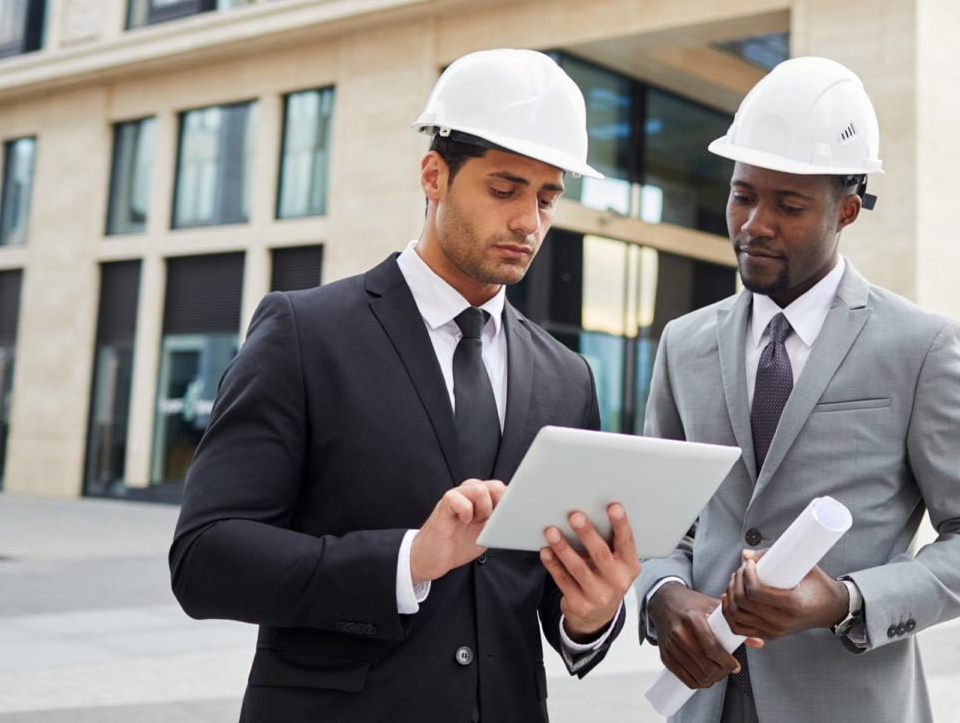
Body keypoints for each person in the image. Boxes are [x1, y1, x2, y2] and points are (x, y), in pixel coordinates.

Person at [170, 48, 640, 722]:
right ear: (434, 176)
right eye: (504, 190)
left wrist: (591, 614)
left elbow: (549, 607)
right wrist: (407, 561)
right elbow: (205, 560)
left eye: (546, 198)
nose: (527, 222)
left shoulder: (567, 378)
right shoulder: (305, 334)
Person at [637, 57, 960, 723]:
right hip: (702, 704)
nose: (754, 223)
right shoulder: (684, 344)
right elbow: (653, 521)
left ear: (846, 210)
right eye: (742, 194)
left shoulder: (919, 347)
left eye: (787, 205)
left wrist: (845, 601)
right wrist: (661, 592)